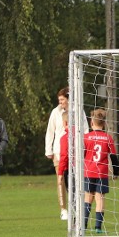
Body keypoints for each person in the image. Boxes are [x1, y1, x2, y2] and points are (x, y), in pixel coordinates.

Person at [83, 108, 118, 233]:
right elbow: (113, 157)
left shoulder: (86, 137)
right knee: (100, 198)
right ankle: (98, 227)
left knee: (88, 198)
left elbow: (82, 154)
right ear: (104, 124)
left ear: (91, 123)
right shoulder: (108, 138)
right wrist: (116, 172)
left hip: (88, 172)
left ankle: (84, 224)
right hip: (102, 173)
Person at [45, 87, 70, 220]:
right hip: (59, 151)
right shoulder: (55, 112)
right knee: (60, 180)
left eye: (62, 100)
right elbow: (50, 131)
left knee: (73, 180)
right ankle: (63, 209)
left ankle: (76, 207)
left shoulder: (78, 110)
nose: (60, 102)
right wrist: (48, 150)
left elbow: (84, 129)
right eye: (59, 100)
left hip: (74, 151)